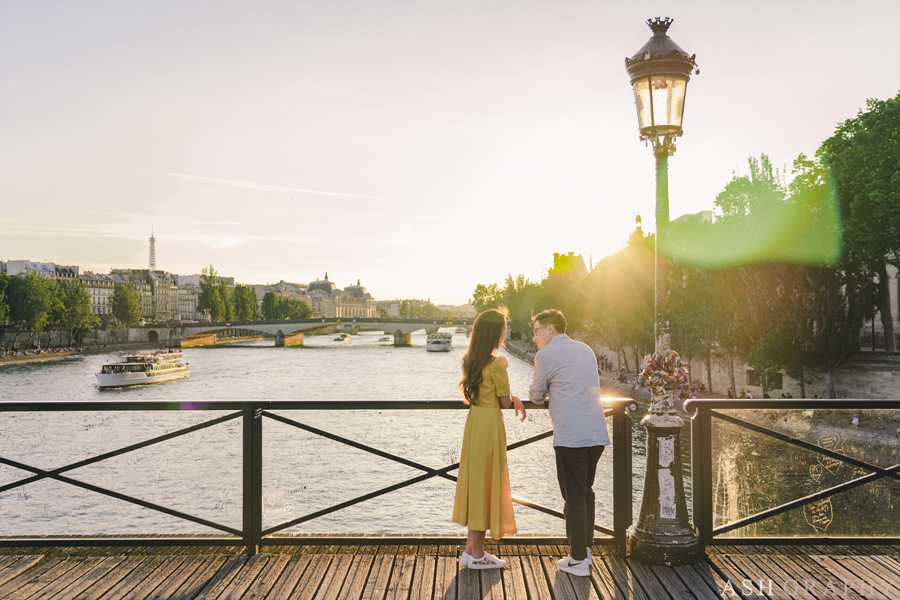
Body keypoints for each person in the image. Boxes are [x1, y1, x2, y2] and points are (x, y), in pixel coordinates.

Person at [528, 309, 609, 577]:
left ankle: (578, 559)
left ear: (550, 329)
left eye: (537, 330)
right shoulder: (585, 349)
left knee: (573, 497)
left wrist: (550, 390)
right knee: (586, 492)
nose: (534, 336)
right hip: (596, 432)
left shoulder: (546, 354)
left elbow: (536, 395)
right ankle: (584, 551)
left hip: (571, 435)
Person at [453, 306, 526, 570]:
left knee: (477, 482)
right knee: (488, 483)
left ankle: (471, 549)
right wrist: (515, 398)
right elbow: (505, 403)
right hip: (490, 426)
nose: (507, 331)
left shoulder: (471, 360)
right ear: (495, 333)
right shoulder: (497, 364)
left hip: (474, 424)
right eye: (504, 327)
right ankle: (477, 555)